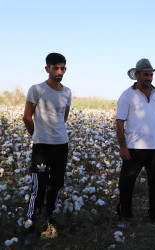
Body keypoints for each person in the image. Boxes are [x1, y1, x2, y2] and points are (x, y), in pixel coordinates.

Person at [115, 58, 155, 228]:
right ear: (137, 75)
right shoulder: (127, 95)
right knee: (126, 183)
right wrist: (123, 147)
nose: (149, 78)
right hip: (134, 147)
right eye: (146, 75)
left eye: (151, 75)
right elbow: (119, 122)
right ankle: (125, 217)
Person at [23, 53, 71, 246]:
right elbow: (27, 117)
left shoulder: (67, 92)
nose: (59, 72)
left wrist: (54, 133)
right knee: (39, 186)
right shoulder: (36, 90)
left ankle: (50, 216)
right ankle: (31, 225)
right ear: (47, 69)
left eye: (63, 68)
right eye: (55, 68)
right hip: (42, 147)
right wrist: (38, 136)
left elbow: (63, 117)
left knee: (57, 183)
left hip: (61, 145)